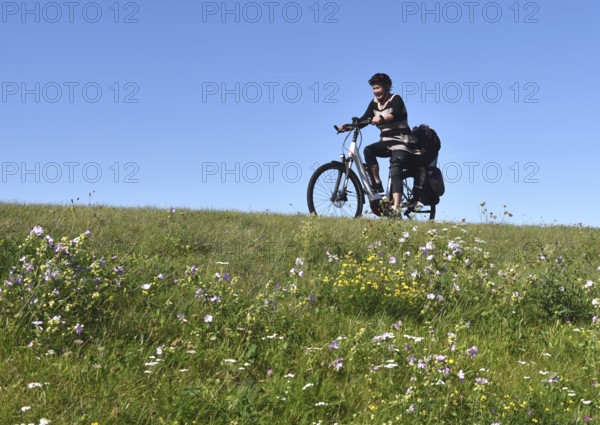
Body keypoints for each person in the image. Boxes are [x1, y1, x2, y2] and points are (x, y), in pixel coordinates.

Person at [340, 73, 422, 212]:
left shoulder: (395, 99)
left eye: (378, 87)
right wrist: (348, 126)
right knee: (368, 150)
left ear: (387, 87)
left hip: (402, 142)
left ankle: (396, 207)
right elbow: (364, 119)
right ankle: (377, 183)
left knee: (395, 168)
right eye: (373, 88)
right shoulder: (374, 103)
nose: (375, 91)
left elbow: (398, 113)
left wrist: (382, 118)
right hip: (386, 142)